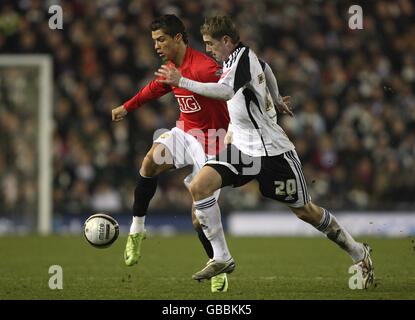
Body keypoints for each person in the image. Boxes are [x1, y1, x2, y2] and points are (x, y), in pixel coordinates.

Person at [155, 15, 375, 289]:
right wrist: (277, 96)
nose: (208, 49)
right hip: (242, 150)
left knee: (306, 211)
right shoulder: (237, 59)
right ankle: (222, 257)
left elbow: (224, 92)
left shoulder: (241, 58)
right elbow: (267, 68)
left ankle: (359, 252)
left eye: (211, 44)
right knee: (200, 186)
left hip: (273, 153)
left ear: (226, 41)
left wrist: (182, 81)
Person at [111, 14, 232, 293]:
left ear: (178, 38)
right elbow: (155, 89)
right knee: (150, 162)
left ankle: (217, 262)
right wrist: (126, 107)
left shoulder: (205, 67)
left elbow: (232, 91)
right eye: (154, 41)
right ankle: (137, 231)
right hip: (186, 133)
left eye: (161, 39)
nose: (156, 46)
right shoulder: (170, 67)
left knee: (197, 217)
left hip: (214, 145)